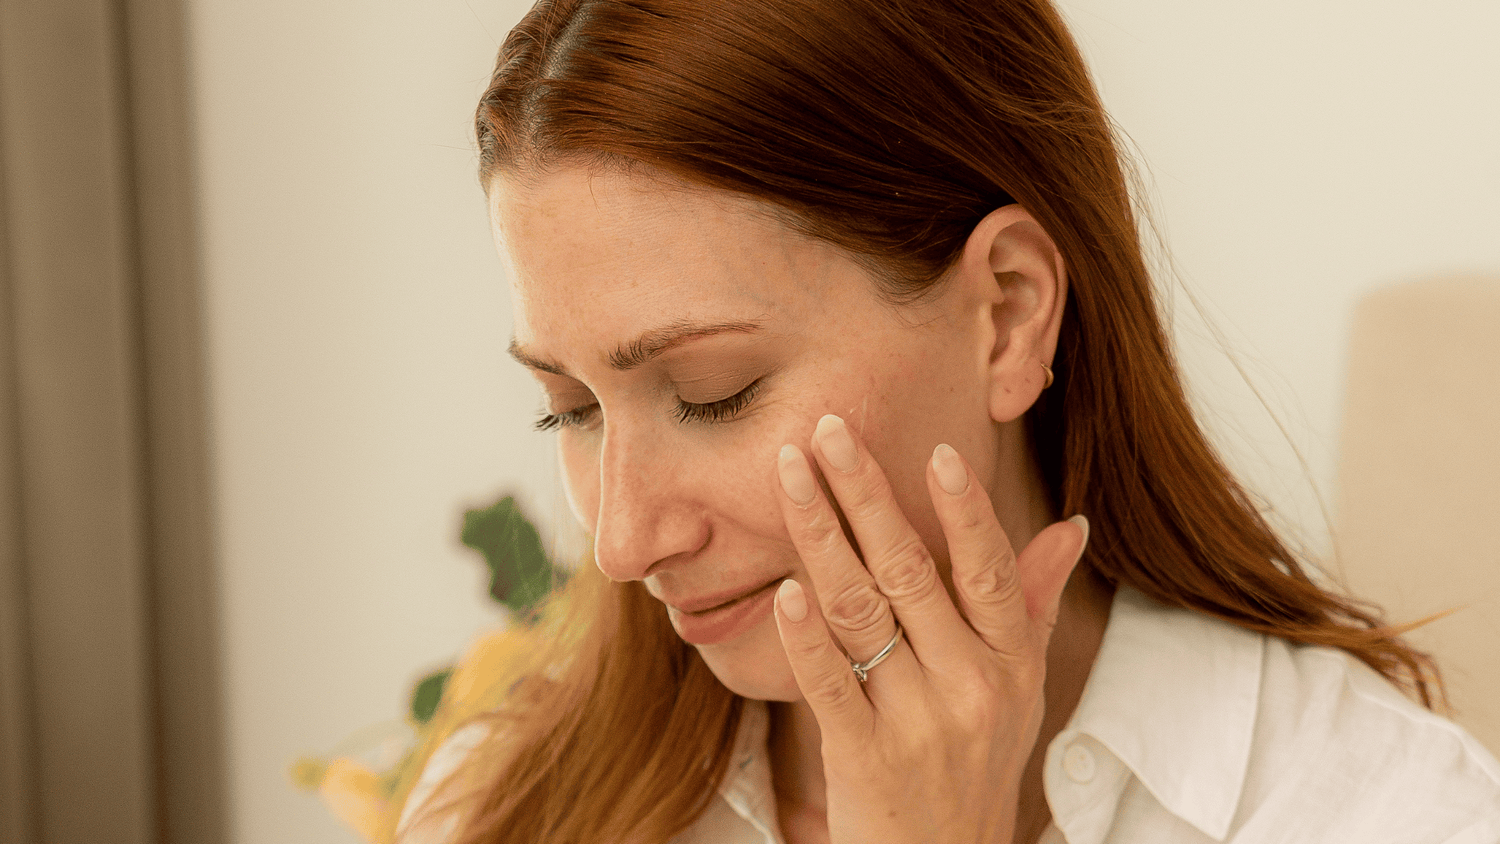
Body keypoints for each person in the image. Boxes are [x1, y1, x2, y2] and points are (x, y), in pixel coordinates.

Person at [395, 0, 1500, 842]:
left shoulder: (1378, 808)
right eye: (571, 410)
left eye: (713, 392)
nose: (624, 541)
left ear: (1008, 315)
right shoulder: (499, 807)